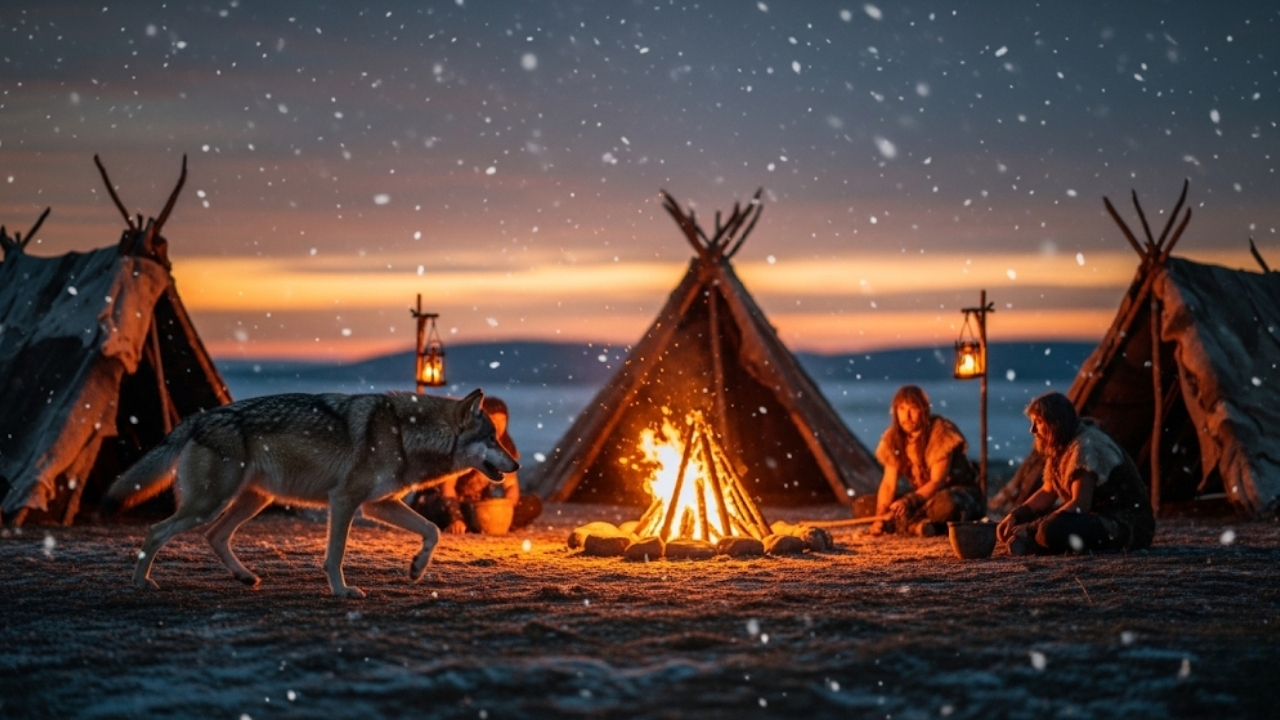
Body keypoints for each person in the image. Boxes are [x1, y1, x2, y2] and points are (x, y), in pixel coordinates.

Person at [996, 392, 1154, 555]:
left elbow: (1080, 505)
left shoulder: (1085, 446)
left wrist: (1032, 527)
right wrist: (1016, 516)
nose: (1033, 430)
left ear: (1054, 423)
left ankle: (1032, 540)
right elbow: (1048, 491)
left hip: (1126, 526)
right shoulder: (1061, 446)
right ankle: (1031, 541)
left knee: (1051, 528)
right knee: (1045, 520)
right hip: (1099, 520)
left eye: (1039, 422)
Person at [411, 396, 542, 534]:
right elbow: (447, 488)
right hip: (444, 501)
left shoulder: (505, 447)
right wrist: (456, 518)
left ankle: (484, 523)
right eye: (493, 419)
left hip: (474, 503)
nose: (498, 425)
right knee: (437, 509)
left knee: (532, 504)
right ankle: (467, 524)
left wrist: (507, 506)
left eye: (502, 420)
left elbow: (510, 485)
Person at [870, 385, 986, 537]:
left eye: (913, 408)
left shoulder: (941, 432)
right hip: (922, 498)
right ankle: (918, 525)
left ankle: (910, 525)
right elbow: (888, 484)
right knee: (864, 505)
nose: (907, 416)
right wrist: (880, 515)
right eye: (902, 409)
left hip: (954, 494)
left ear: (924, 410)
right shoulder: (893, 438)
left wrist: (907, 503)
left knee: (947, 504)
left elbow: (937, 482)